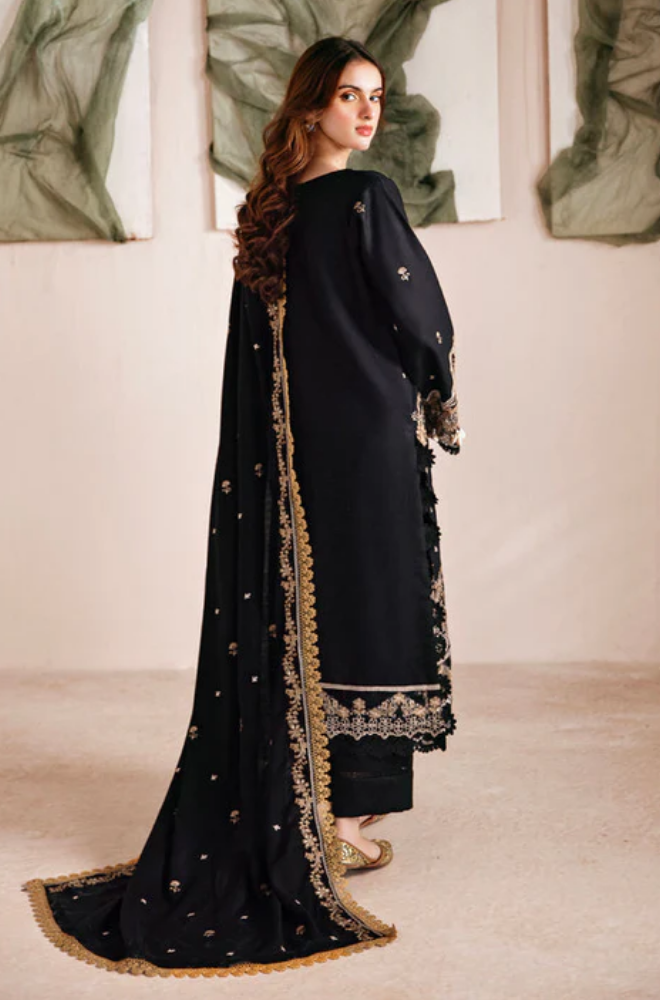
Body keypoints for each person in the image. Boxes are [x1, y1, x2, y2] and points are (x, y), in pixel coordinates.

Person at [23, 36, 463, 977]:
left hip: (293, 450)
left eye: (376, 97)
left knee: (313, 606)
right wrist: (434, 389)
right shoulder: (366, 197)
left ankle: (320, 806)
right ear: (309, 108)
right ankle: (347, 819)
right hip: (367, 440)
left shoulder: (271, 212)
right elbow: (421, 314)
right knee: (376, 604)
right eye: (349, 97)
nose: (368, 112)